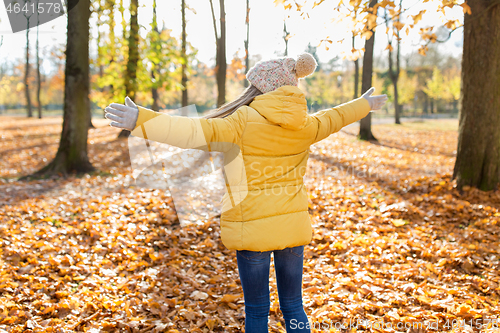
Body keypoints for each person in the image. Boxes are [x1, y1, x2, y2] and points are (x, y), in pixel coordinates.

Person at [104, 53, 387, 333]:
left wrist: (142, 120)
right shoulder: (306, 124)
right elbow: (336, 116)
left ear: (261, 86)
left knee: (256, 310)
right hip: (292, 228)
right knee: (293, 304)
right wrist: (365, 104)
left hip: (250, 230)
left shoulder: (242, 121)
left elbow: (192, 131)